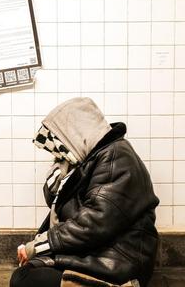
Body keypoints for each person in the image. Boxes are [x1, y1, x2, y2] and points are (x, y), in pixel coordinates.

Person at [10, 97, 160, 287]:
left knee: (28, 279)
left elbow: (94, 223)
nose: (59, 150)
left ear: (76, 132)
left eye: (61, 141)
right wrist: (60, 174)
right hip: (100, 252)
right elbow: (61, 206)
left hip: (118, 261)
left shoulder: (116, 157)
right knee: (27, 273)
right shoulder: (96, 156)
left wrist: (40, 245)